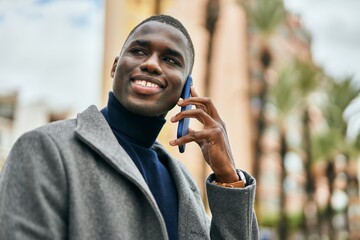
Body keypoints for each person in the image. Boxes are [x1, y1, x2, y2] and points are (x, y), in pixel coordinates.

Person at [0, 15, 259, 240]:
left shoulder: (185, 183)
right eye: (138, 51)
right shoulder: (44, 148)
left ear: (185, 87)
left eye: (170, 59)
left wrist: (228, 178)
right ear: (115, 67)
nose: (151, 64)